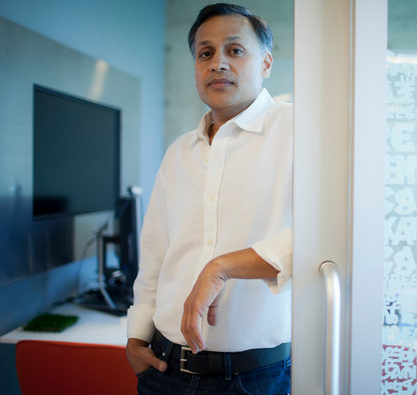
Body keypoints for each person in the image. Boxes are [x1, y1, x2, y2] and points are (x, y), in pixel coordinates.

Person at [125, 3, 292, 394]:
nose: (218, 63)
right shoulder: (179, 151)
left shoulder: (299, 129)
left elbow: (331, 234)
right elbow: (155, 257)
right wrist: (136, 337)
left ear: (265, 63)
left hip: (254, 379)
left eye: (235, 50)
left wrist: (221, 267)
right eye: (205, 53)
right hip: (163, 370)